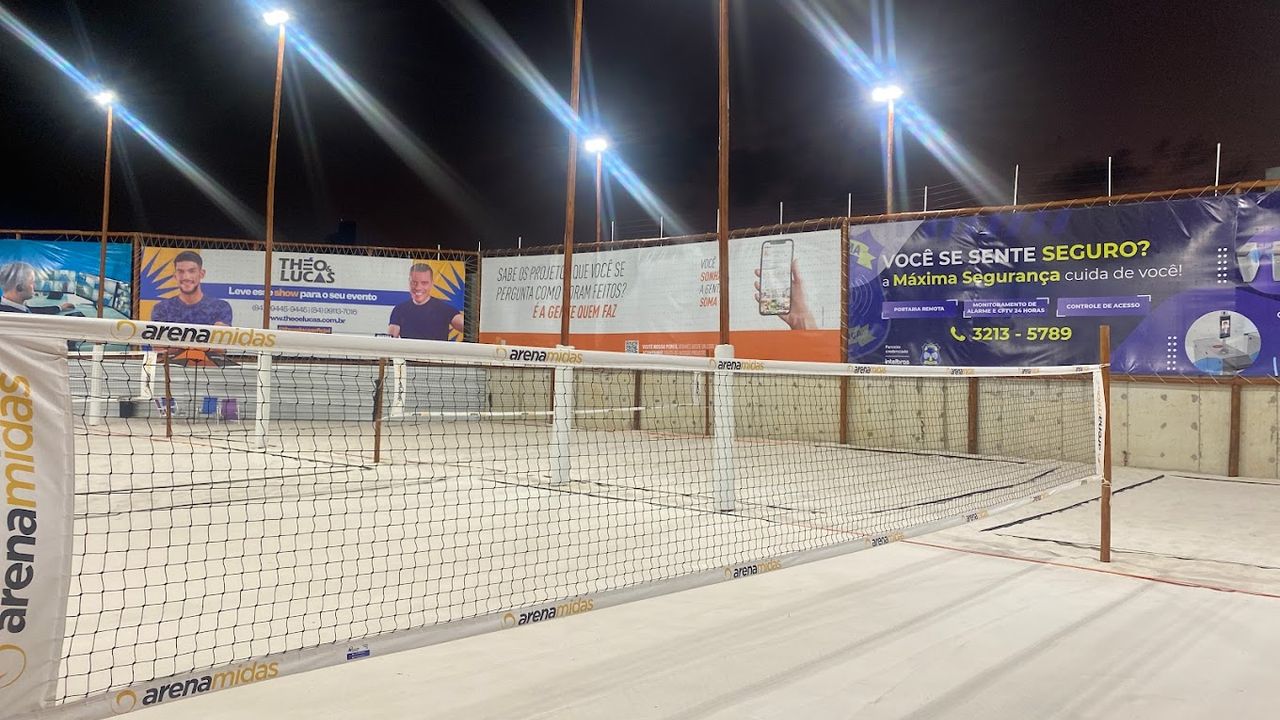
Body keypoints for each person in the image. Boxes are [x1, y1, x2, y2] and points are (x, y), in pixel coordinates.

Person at [151, 251, 233, 326]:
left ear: (202, 274)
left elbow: (222, 337)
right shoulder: (162, 309)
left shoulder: (220, 308)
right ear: (175, 275)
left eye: (192, 271)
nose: (186, 277)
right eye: (180, 271)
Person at [388, 263, 464, 341]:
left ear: (432, 283)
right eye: (414, 282)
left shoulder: (444, 309)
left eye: (424, 283)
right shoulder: (399, 310)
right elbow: (390, 341)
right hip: (409, 349)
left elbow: (469, 328)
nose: (418, 287)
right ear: (409, 282)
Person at [0, 262, 74, 314]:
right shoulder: (17, 317)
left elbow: (33, 310)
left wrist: (59, 308)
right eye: (32, 282)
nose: (35, 286)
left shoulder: (11, 307)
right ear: (20, 287)